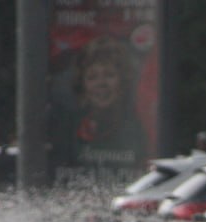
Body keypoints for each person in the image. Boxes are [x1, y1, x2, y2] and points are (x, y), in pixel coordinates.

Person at [53, 35, 147, 173]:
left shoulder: (136, 125)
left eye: (109, 75)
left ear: (122, 81)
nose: (101, 84)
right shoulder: (70, 125)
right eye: (92, 77)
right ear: (82, 84)